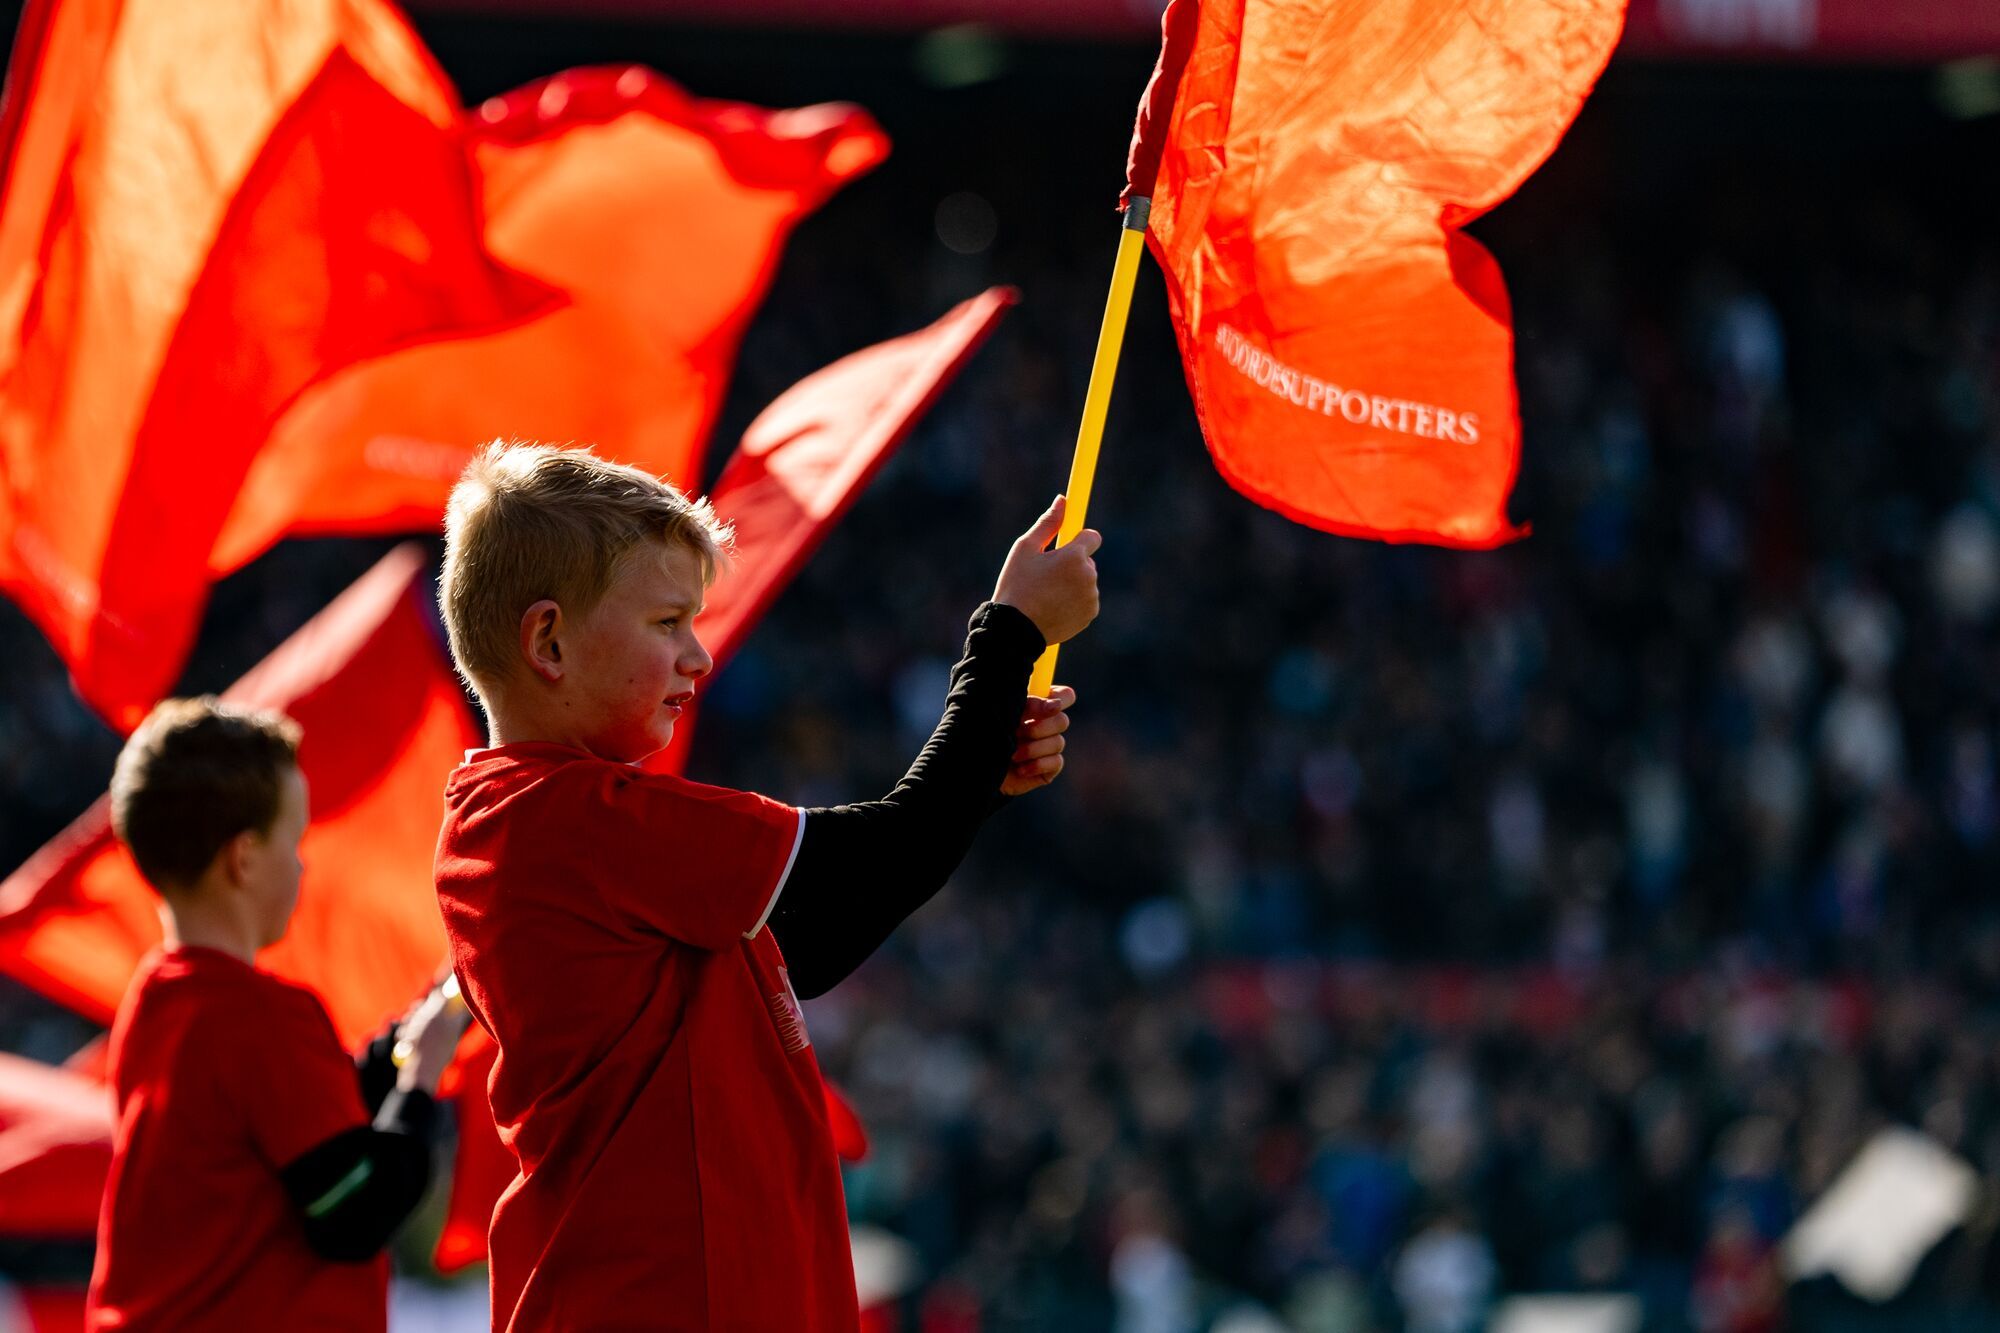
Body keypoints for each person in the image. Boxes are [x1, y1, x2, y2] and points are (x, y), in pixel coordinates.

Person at [434, 440, 1099, 1331]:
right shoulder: (566, 815)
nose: (698, 656)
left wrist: (974, 778)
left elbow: (820, 936)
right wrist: (1008, 636)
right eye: (668, 622)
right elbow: (877, 858)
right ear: (548, 639)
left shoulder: (538, 818)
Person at [85, 697, 470, 1332]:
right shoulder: (263, 1018)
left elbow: (304, 1119)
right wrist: (420, 1081)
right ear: (243, 859)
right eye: (294, 840)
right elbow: (353, 1206)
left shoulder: (156, 1002)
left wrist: (400, 1045)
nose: (301, 862)